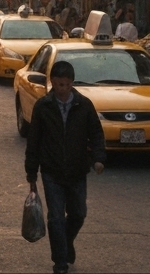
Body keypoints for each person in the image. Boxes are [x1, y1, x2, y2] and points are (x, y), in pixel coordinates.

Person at [25, 60, 106, 274]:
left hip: (78, 170)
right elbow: (34, 140)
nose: (63, 89)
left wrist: (98, 158)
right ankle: (60, 262)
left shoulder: (84, 105)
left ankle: (66, 241)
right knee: (56, 218)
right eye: (59, 85)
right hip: (51, 171)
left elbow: (96, 133)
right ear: (52, 83)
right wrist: (31, 172)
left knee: (78, 213)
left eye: (67, 85)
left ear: (72, 83)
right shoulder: (43, 106)